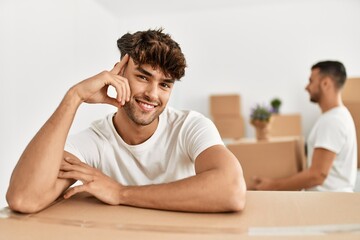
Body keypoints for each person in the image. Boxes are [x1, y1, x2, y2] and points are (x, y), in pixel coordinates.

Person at [6, 29, 246, 213]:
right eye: (143, 77)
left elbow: (232, 190)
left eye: (165, 84)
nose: (153, 94)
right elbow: (24, 198)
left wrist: (121, 193)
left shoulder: (190, 126)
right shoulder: (95, 142)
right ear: (118, 74)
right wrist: (74, 97)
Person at [253, 60, 357, 192]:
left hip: (329, 204)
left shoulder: (333, 121)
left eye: (311, 81)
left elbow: (317, 175)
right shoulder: (334, 117)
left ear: (325, 83)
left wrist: (272, 185)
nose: (306, 87)